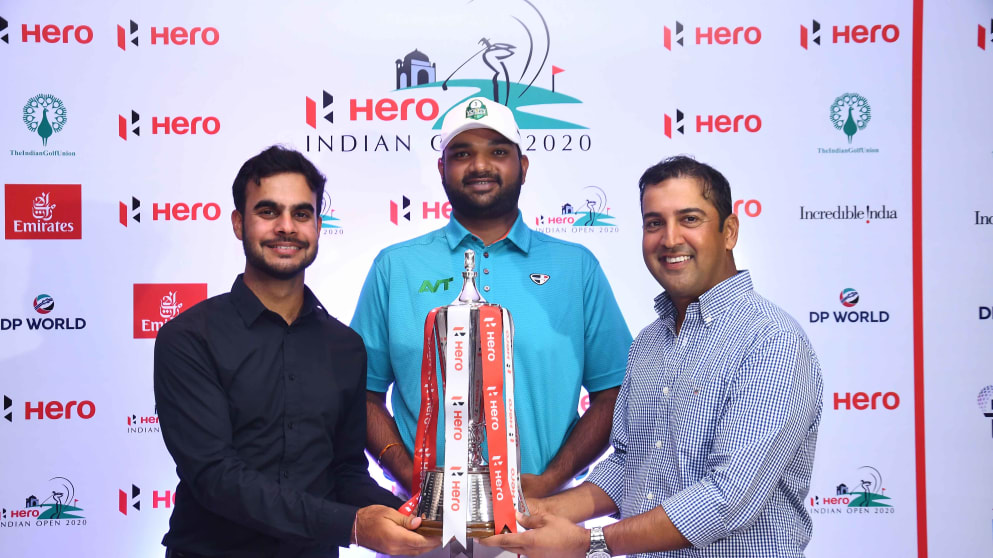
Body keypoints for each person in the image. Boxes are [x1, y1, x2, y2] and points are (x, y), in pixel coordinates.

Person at [482, 155, 824, 558]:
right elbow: (630, 466)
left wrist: (590, 542)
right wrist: (533, 512)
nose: (670, 239)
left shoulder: (772, 341)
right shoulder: (649, 342)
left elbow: (728, 497)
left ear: (729, 231)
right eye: (654, 223)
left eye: (690, 219)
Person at [154, 146, 439, 558]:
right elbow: (216, 477)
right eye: (268, 211)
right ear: (238, 223)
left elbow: (345, 472)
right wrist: (352, 526)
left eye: (301, 214)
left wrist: (417, 517)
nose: (286, 227)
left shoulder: (345, 346)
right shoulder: (188, 338)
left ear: (318, 226)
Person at [351, 97, 632, 514]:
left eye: (498, 152)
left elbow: (615, 394)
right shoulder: (396, 267)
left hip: (541, 523)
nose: (480, 166)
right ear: (441, 168)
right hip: (423, 525)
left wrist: (551, 482)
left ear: (524, 166)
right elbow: (361, 395)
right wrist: (411, 475)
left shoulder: (576, 268)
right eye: (462, 154)